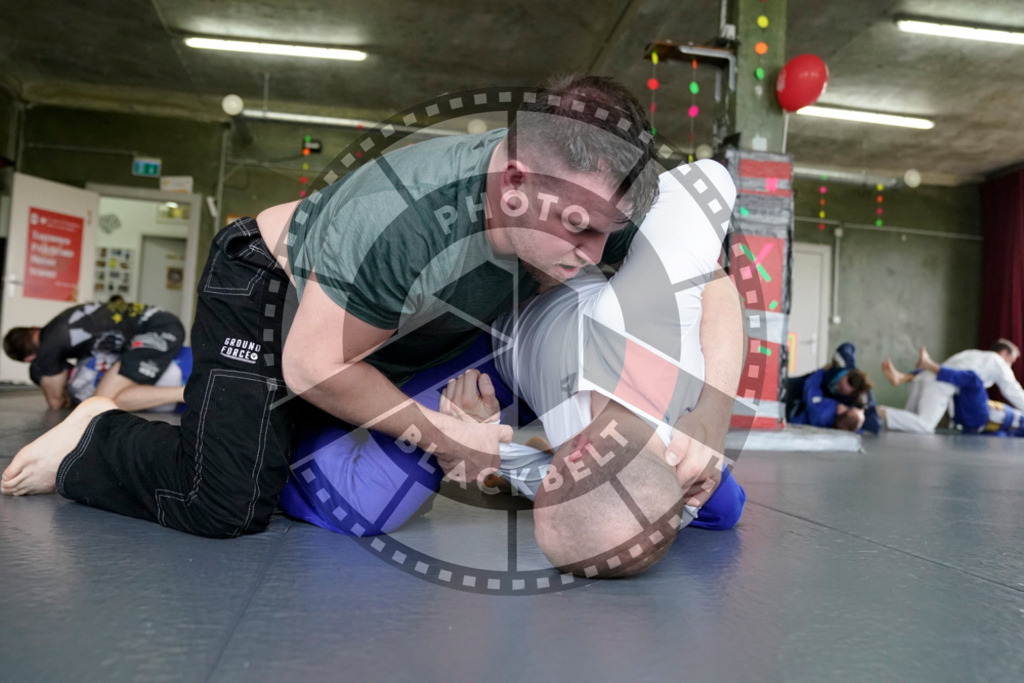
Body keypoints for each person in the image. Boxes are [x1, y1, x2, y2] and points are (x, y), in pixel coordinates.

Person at [3, 76, 741, 542]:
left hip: (412, 333)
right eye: (577, 231)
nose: (591, 253)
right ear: (514, 180)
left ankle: (272, 437)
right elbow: (312, 362)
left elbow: (712, 287)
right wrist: (447, 431)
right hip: (273, 300)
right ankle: (99, 435)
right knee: (223, 504)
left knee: (362, 490)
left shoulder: (589, 194)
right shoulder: (404, 219)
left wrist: (707, 425)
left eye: (604, 234)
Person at [280, 159, 746, 577]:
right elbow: (706, 180)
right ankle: (332, 395)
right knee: (724, 507)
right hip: (500, 333)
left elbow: (508, 468)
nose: (537, 485)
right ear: (578, 453)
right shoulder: (647, 322)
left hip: (503, 375)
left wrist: (474, 443)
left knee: (358, 505)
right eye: (546, 488)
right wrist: (715, 413)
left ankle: (319, 417)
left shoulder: (662, 489)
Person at [3, 300, 186, 411]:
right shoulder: (59, 323)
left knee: (103, 401)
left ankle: (188, 393)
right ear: (35, 327)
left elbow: (56, 402)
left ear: (29, 358)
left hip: (158, 329)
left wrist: (41, 372)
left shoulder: (48, 348)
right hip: (158, 321)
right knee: (105, 397)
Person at [879, 340, 1024, 433]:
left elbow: (948, 368)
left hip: (923, 379)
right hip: (939, 384)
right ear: (1004, 353)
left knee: (906, 423)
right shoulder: (998, 362)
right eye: (1011, 360)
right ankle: (879, 411)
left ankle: (902, 377)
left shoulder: (972, 354)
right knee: (925, 425)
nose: (1010, 365)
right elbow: (1013, 390)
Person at [785, 342, 879, 433]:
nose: (836, 387)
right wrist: (821, 372)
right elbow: (848, 346)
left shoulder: (862, 400)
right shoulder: (843, 363)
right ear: (847, 373)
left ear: (851, 394)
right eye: (839, 382)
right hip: (804, 384)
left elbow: (873, 425)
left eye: (841, 390)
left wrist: (849, 413)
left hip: (807, 404)